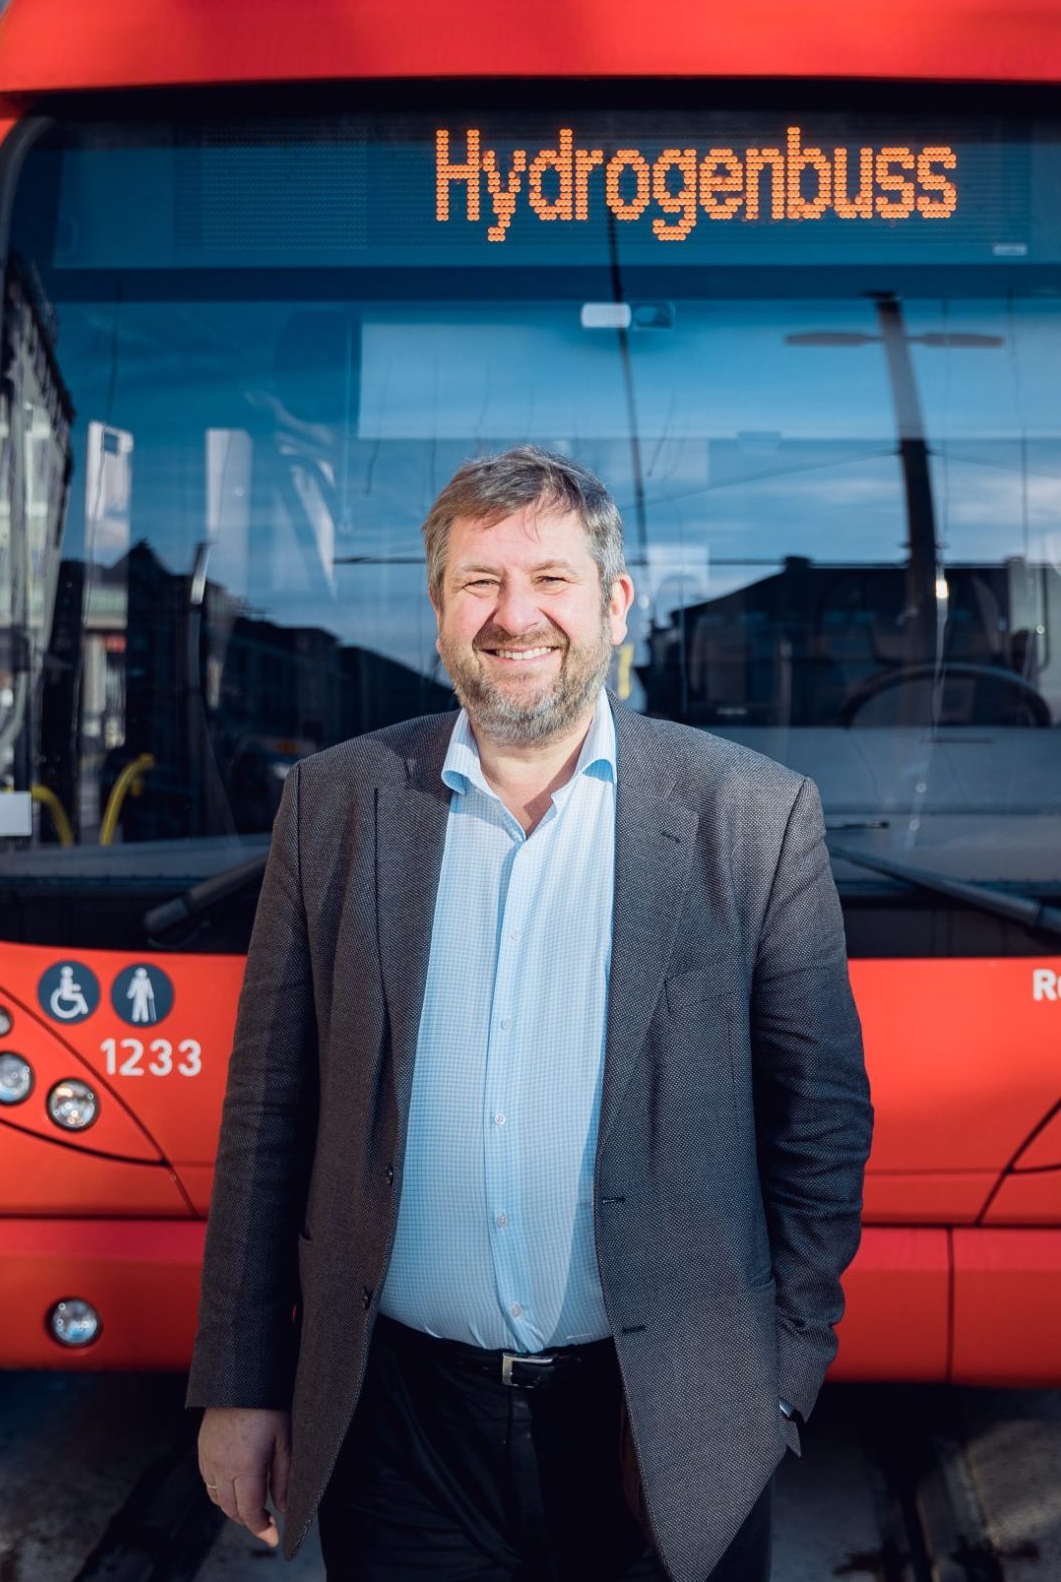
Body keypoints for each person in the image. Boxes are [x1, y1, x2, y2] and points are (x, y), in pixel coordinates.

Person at [190, 449, 872, 1582]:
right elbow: (268, 1114)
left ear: (613, 602)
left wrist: (778, 1380)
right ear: (438, 609)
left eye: (551, 579)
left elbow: (822, 1124)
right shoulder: (333, 805)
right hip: (398, 1429)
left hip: (666, 1424)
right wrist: (240, 1382)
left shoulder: (752, 816)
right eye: (480, 582)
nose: (516, 616)